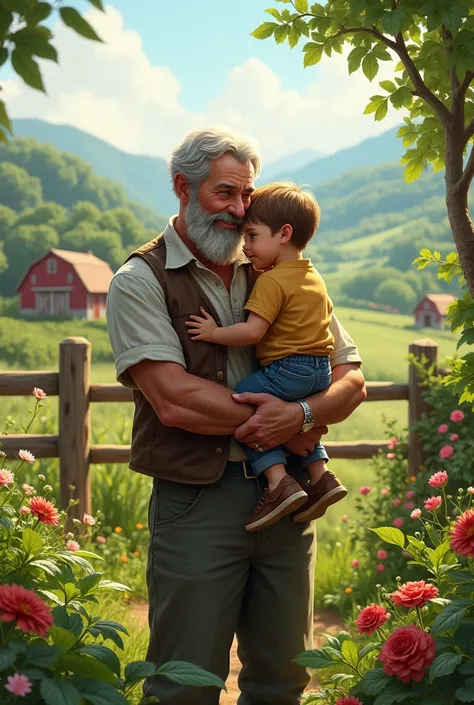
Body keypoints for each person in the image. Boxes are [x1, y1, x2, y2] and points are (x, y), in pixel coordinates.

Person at [106, 127, 366, 705]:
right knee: (184, 684)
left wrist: (298, 414)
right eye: (225, 193)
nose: (239, 210)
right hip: (199, 499)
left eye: (246, 196)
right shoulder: (139, 280)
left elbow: (352, 379)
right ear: (182, 187)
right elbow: (176, 399)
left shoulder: (274, 264)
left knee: (283, 680)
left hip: (290, 500)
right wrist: (289, 422)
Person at [185, 181, 347, 533]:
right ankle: (320, 476)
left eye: (253, 236)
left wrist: (213, 333)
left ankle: (278, 483)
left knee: (248, 404)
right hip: (320, 371)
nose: (246, 246)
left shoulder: (272, 282)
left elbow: (252, 332)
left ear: (283, 234)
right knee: (285, 407)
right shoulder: (313, 276)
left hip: (289, 368)